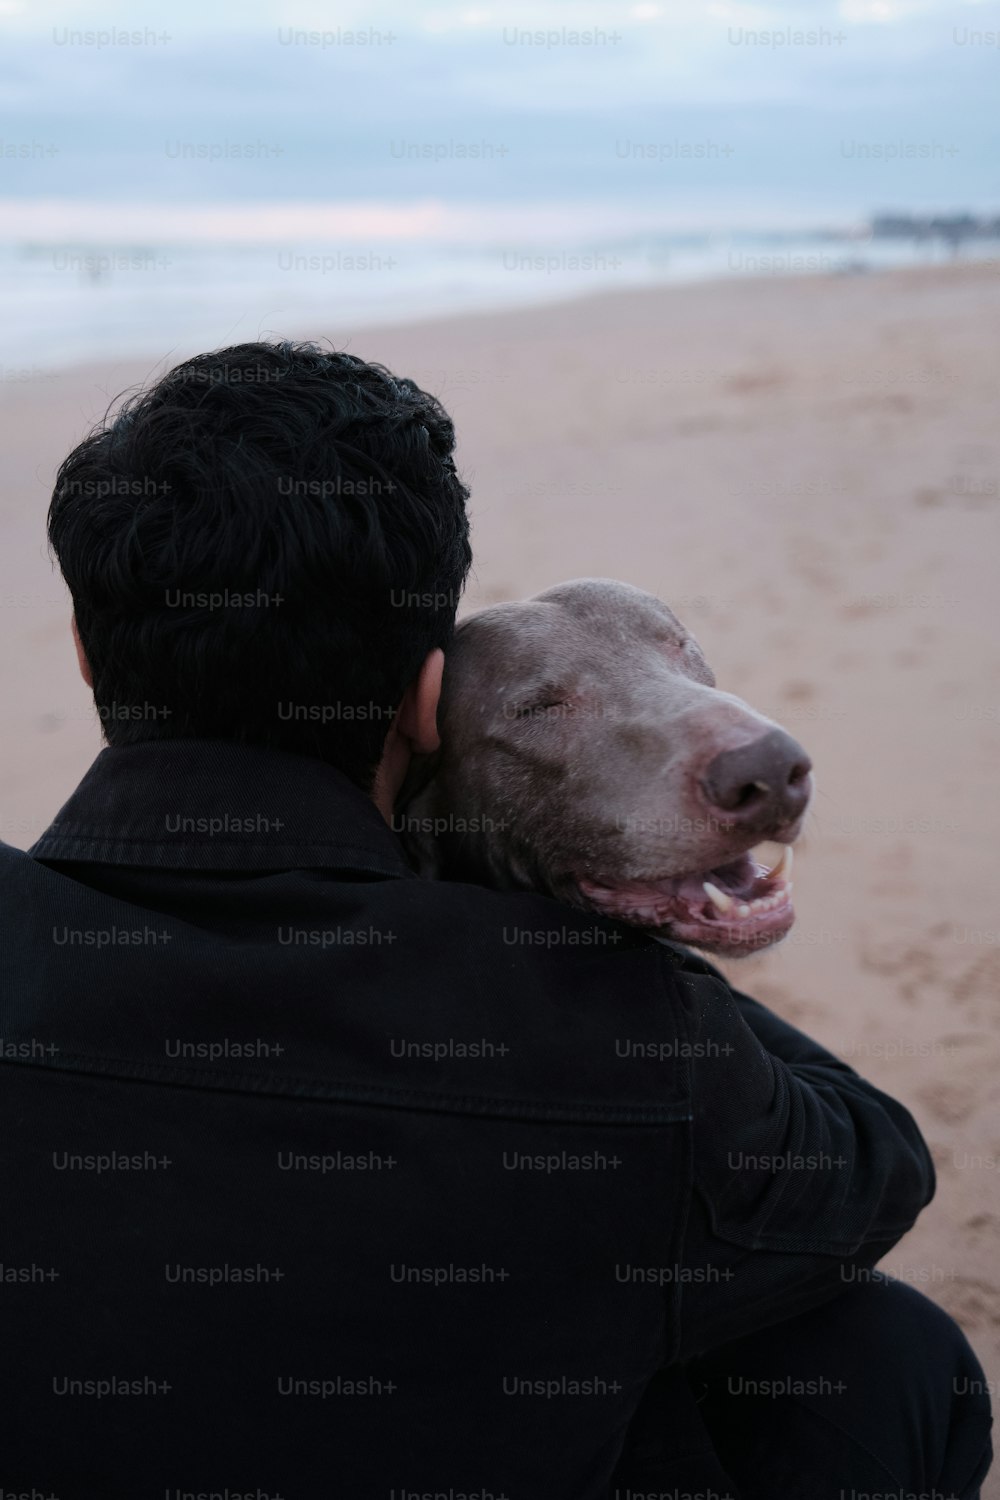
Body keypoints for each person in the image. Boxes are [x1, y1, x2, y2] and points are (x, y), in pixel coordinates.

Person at [0, 341, 991, 1498]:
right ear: (427, 704)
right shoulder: (603, 1045)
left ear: (81, 653)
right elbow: (872, 1166)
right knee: (883, 1352)